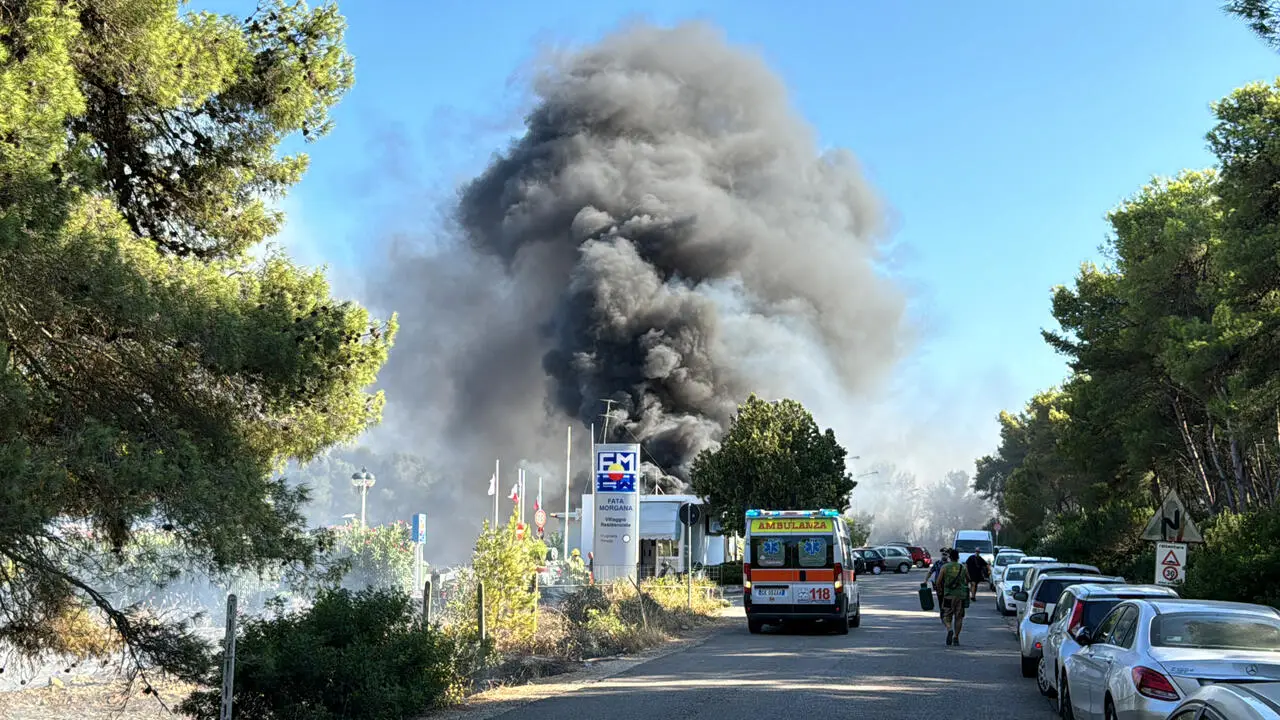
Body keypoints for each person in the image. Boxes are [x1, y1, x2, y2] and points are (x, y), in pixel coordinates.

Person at [934, 548, 970, 646]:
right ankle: (956, 637)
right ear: (958, 557)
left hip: (948, 596)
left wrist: (940, 590)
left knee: (946, 615)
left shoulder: (945, 567)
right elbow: (968, 579)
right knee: (959, 617)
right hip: (960, 597)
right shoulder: (963, 567)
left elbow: (938, 581)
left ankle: (949, 629)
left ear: (950, 557)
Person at [927, 548, 949, 620]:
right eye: (943, 554)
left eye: (945, 554)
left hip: (947, 585)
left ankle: (946, 613)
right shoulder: (937, 563)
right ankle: (942, 612)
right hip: (938, 585)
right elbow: (931, 571)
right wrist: (926, 580)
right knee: (940, 599)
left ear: (948, 555)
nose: (944, 556)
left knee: (947, 600)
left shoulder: (949, 564)